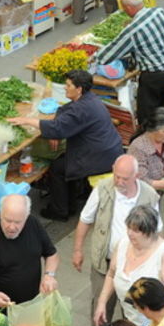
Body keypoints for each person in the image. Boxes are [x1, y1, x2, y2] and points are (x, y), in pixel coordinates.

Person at [8, 70, 124, 221]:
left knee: (57, 167)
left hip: (99, 158)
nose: (64, 87)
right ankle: (70, 204)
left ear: (79, 89)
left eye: (68, 85)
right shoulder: (90, 99)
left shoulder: (81, 109)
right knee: (63, 162)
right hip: (108, 151)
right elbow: (64, 111)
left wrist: (26, 121)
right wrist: (56, 127)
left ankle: (60, 211)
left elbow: (57, 128)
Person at [73, 155, 162, 326]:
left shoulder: (149, 195)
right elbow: (85, 219)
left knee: (134, 315)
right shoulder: (103, 189)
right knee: (100, 309)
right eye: (116, 176)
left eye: (125, 178)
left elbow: (157, 231)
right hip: (105, 263)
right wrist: (77, 250)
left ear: (136, 175)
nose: (119, 181)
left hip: (135, 267)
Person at [93, 206, 164, 326]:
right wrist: (102, 302)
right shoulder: (122, 244)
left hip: (155, 322)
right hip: (131, 315)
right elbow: (111, 274)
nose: (129, 233)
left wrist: (144, 297)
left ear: (149, 232)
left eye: (135, 230)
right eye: (128, 227)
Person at [95, 0, 164, 126]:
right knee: (163, 113)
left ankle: (148, 144)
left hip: (152, 78)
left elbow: (112, 52)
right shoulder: (160, 12)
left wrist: (94, 59)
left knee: (147, 117)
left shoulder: (133, 29)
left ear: (129, 8)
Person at [0, 194, 60, 310]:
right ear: (0, 214)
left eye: (17, 222)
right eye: (7, 220)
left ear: (26, 217)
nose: (11, 227)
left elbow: (51, 254)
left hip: (31, 305)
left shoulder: (33, 224)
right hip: (0, 309)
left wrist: (49, 276)